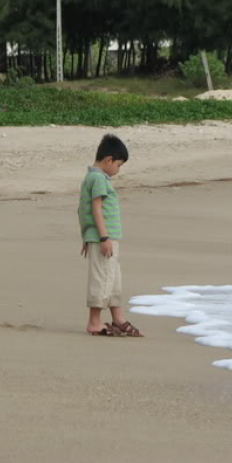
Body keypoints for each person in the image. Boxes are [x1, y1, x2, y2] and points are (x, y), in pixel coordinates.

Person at [78, 134, 143, 337]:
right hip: (104, 238)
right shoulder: (98, 178)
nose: (118, 170)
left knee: (113, 278)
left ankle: (118, 318)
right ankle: (94, 322)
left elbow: (82, 210)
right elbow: (95, 209)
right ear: (108, 160)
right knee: (102, 279)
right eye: (118, 165)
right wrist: (103, 237)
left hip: (102, 237)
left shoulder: (93, 177)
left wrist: (87, 236)